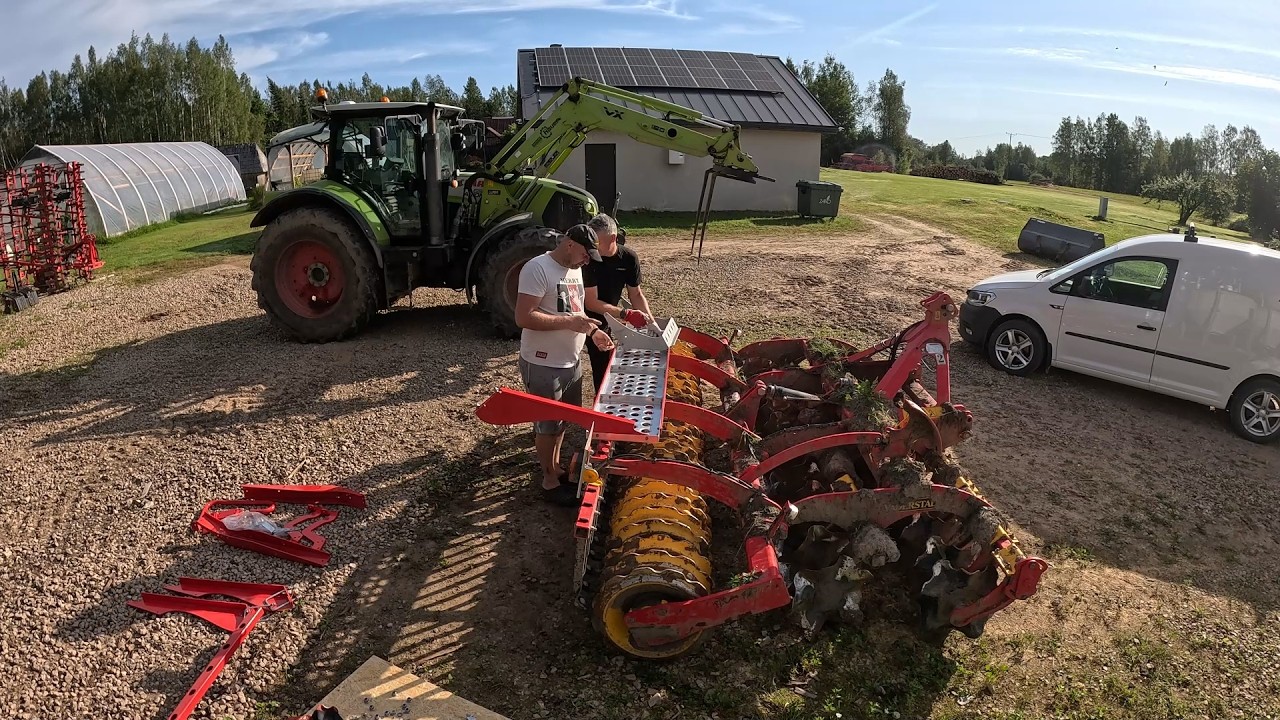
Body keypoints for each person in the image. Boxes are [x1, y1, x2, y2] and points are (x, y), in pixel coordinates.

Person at [514, 223, 616, 506]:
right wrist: (572, 323)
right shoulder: (537, 269)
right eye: (585, 253)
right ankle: (548, 481)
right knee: (547, 425)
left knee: (562, 422)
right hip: (543, 362)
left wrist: (593, 333)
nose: (587, 260)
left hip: (570, 360)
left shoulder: (575, 269)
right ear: (569, 244)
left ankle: (557, 466)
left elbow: (576, 309)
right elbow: (524, 317)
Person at [583, 213, 654, 393]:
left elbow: (636, 294)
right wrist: (626, 314)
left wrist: (651, 325)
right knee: (589, 364)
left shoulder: (628, 258)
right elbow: (590, 303)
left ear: (612, 238)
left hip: (607, 318)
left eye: (597, 242)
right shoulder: (588, 259)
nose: (592, 246)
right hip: (585, 319)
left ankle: (606, 403)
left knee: (606, 367)